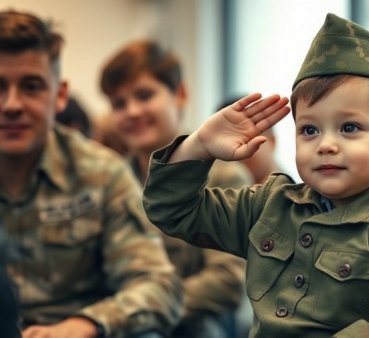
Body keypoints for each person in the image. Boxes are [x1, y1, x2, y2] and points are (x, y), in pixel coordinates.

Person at [143, 13, 369, 338]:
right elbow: (172, 211)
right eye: (309, 130)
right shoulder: (269, 204)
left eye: (349, 128)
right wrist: (198, 147)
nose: (326, 145)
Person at [0, 10, 183, 338]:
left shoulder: (101, 174)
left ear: (59, 95)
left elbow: (158, 287)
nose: (12, 104)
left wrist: (87, 325)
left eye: (31, 86)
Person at [99, 40, 252, 338]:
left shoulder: (224, 176)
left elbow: (228, 280)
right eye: (119, 103)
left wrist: (145, 308)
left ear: (180, 94)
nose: (131, 111)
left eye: (144, 95)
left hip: (195, 321)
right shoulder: (108, 178)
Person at [218, 95, 282, 184]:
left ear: (272, 142)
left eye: (248, 141)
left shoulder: (294, 195)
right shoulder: (214, 192)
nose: (237, 151)